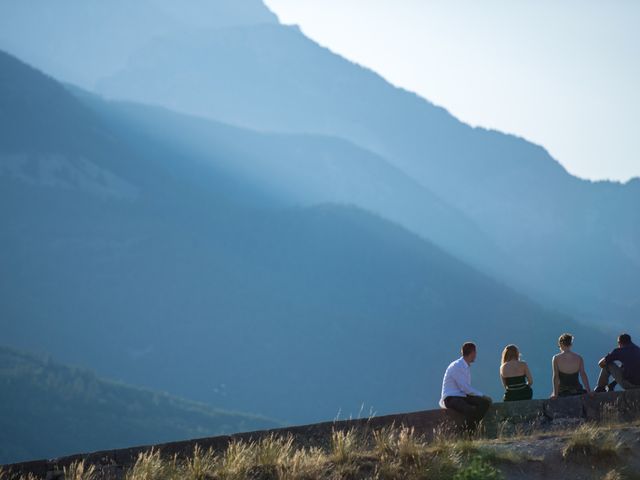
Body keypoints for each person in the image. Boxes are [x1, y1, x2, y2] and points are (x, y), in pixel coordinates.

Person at [440, 342, 492, 430]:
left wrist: (482, 398)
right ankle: (467, 431)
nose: (476, 355)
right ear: (472, 352)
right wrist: (482, 395)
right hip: (450, 398)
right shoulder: (456, 366)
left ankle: (472, 428)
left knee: (484, 403)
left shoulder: (464, 366)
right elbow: (464, 387)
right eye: (475, 352)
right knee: (469, 409)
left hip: (461, 395)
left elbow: (465, 389)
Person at [551, 333, 591, 398]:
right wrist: (589, 391)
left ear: (561, 344)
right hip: (577, 390)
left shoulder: (556, 358)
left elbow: (555, 377)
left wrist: (555, 394)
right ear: (571, 344)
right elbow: (583, 375)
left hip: (563, 391)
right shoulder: (579, 358)